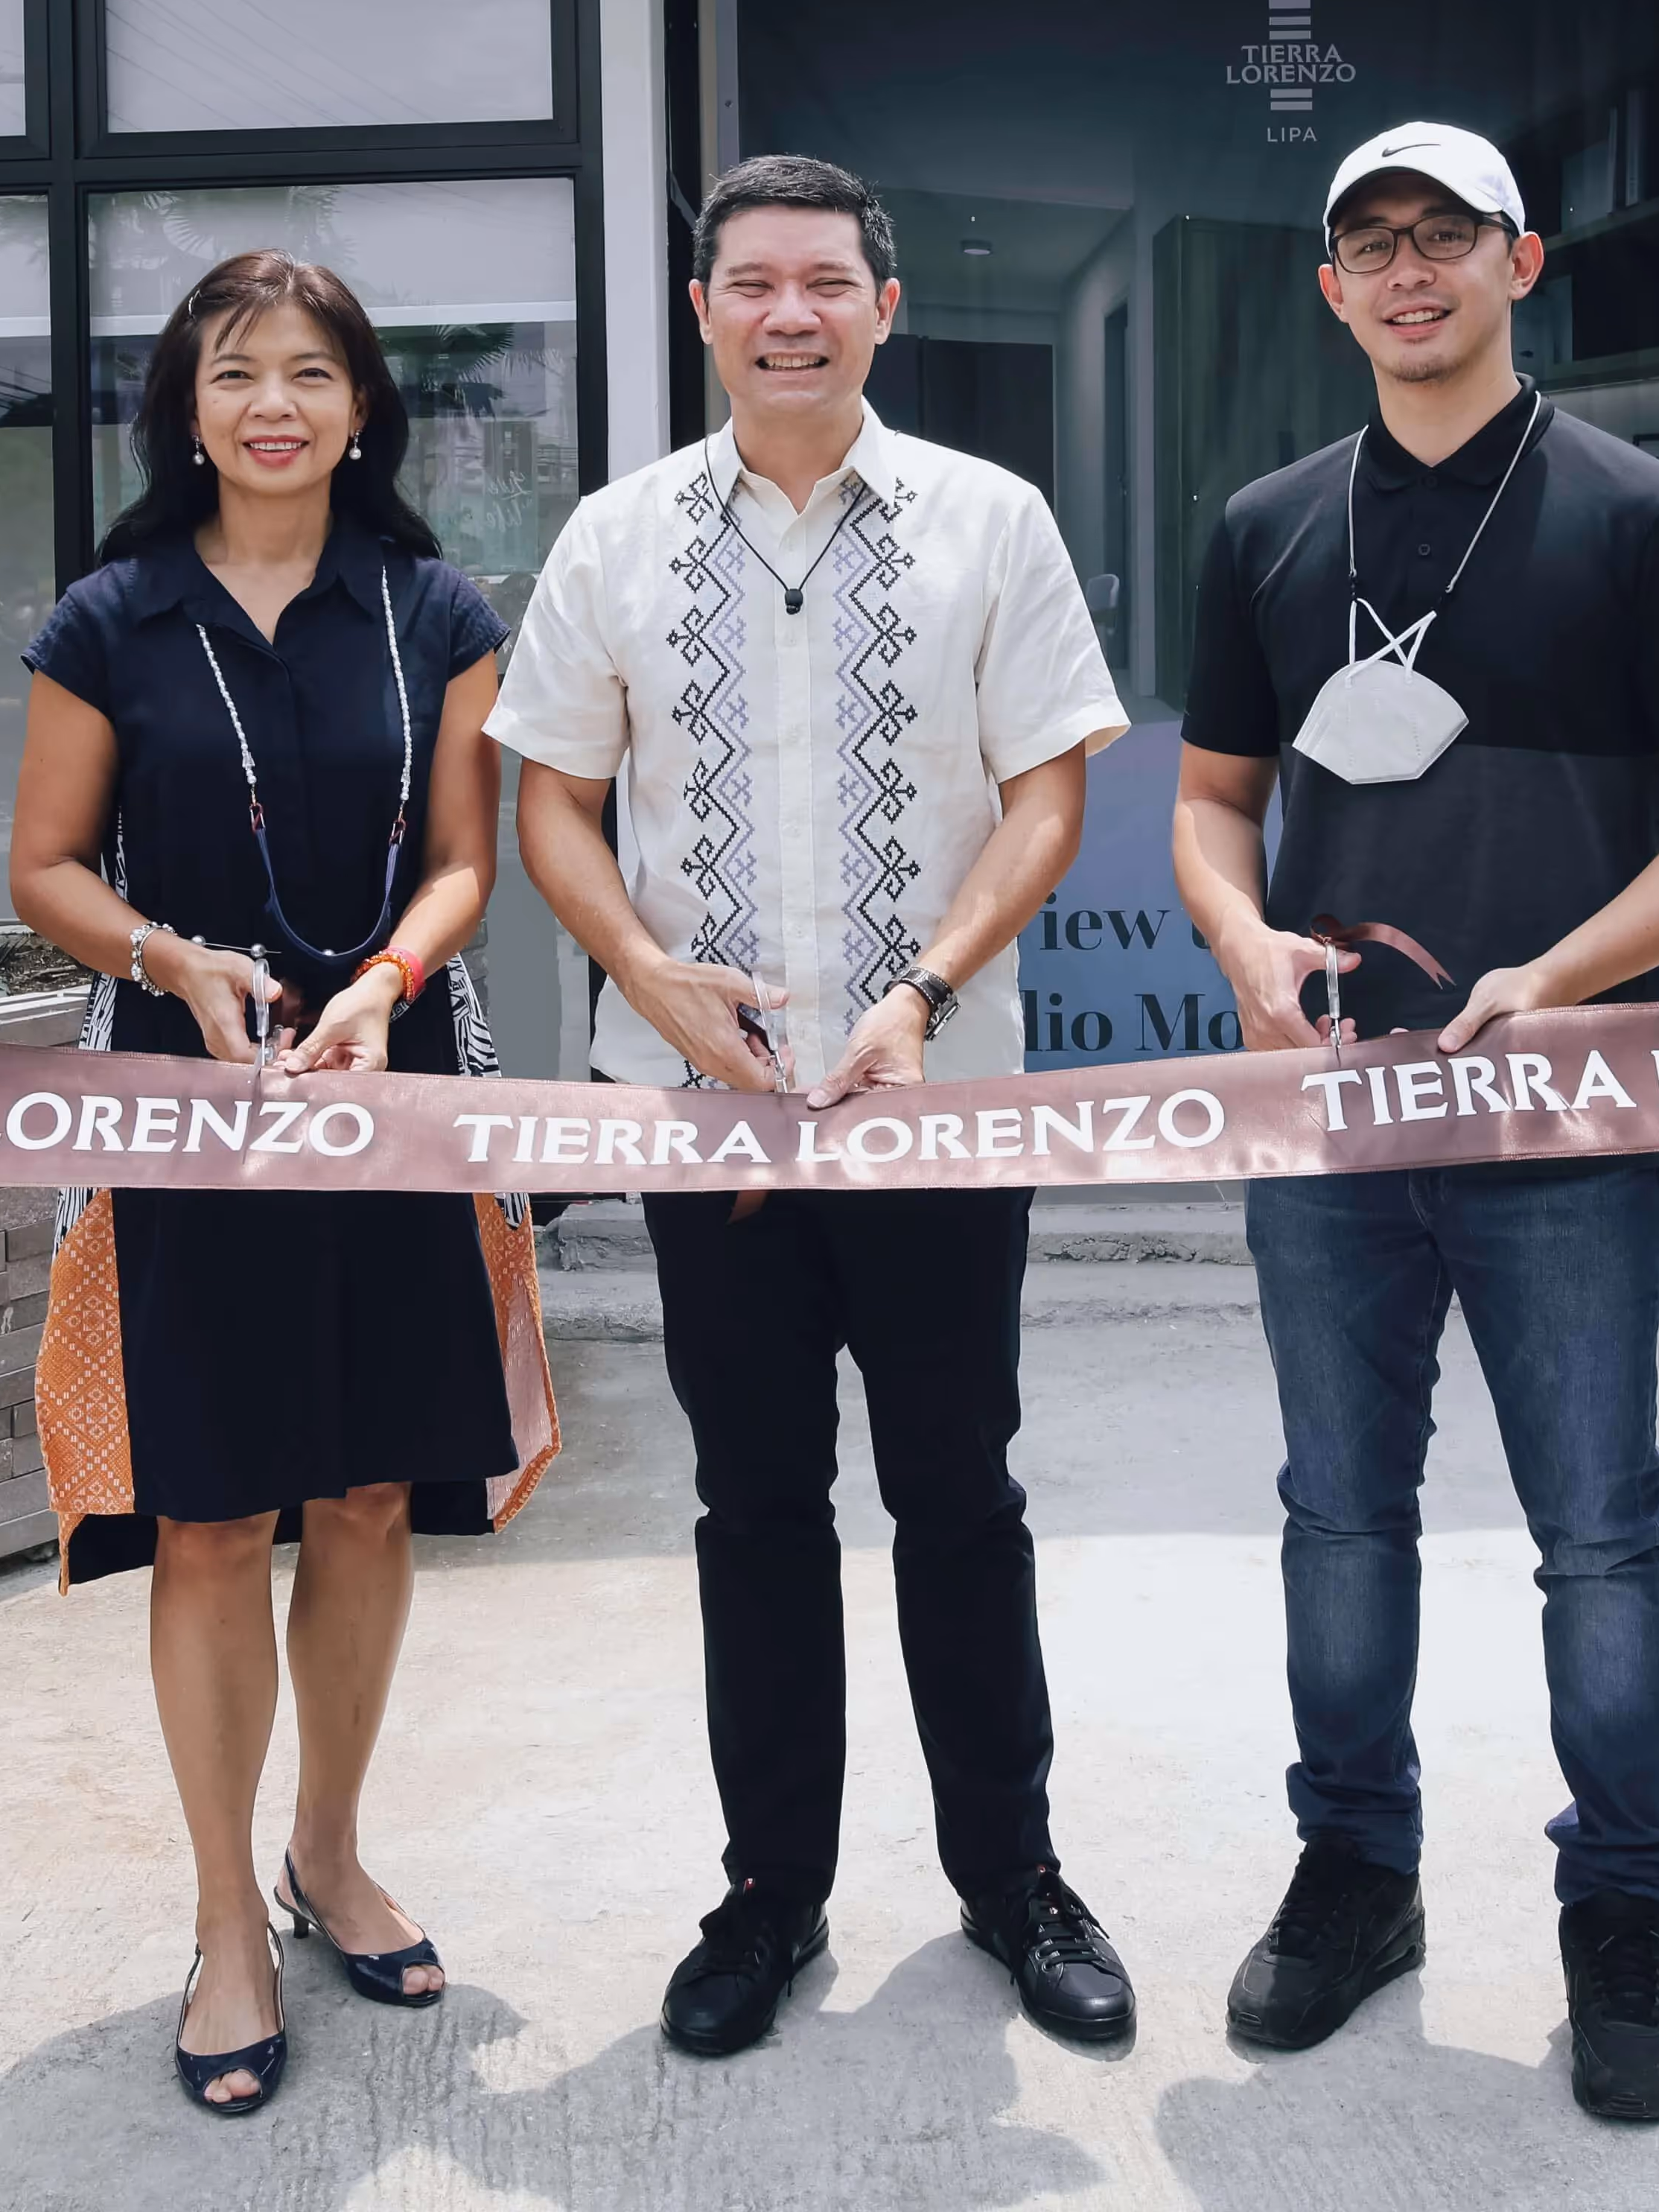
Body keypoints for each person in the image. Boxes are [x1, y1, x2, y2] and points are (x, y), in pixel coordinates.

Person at [1171, 121, 1659, 2125]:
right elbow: (1209, 802)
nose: (1409, 270)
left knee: (1597, 1533)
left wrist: (1570, 977)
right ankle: (1358, 1870)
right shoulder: (1268, 526)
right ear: (1330, 288)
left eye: (1447, 235)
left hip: (1563, 1123)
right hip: (1333, 1122)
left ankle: (1625, 1910)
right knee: (1339, 1517)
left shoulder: (1645, 520)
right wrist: (1247, 938)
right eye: (1371, 242)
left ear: (1522, 266)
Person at [489, 153, 1137, 2059]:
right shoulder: (613, 536)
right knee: (754, 1504)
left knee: (961, 1497)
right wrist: (652, 983)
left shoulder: (987, 520)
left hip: (935, 1114)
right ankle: (770, 1891)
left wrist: (927, 993)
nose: (792, 308)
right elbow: (553, 801)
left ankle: (1012, 1873)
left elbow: (1046, 791)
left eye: (827, 279)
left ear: (884, 306)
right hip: (710, 1124)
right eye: (754, 278)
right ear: (702, 310)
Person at [7, 251, 551, 2120]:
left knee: (377, 1491)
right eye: (236, 372)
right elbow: (46, 866)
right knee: (217, 1513)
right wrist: (172, 959)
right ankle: (225, 1914)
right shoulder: (111, 616)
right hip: (189, 1106)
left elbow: (473, 859)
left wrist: (389, 980)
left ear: (362, 405)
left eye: (311, 373)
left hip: (389, 1096)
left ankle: (330, 1844)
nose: (275, 404)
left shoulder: (435, 605)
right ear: (186, 403)